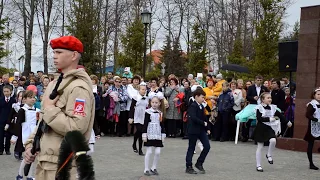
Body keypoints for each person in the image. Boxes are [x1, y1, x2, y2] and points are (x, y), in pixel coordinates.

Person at [24, 36, 95, 180]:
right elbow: (44, 120)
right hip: (46, 161)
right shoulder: (55, 83)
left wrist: (50, 109)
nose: (54, 56)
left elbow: (76, 127)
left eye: (59, 52)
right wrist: (30, 144)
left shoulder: (79, 88)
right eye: (54, 52)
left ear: (74, 55)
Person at [252, 92, 292, 172]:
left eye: (270, 98)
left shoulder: (273, 108)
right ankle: (258, 165)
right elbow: (259, 118)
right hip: (261, 128)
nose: (270, 99)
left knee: (273, 140)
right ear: (263, 100)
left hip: (269, 127)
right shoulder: (259, 108)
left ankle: (269, 154)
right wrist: (269, 119)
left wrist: (287, 122)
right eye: (268, 98)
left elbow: (280, 115)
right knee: (260, 146)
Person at [12, 90, 40, 180]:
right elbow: (18, 124)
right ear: (24, 99)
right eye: (30, 97)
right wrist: (15, 137)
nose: (32, 99)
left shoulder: (37, 110)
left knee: (31, 156)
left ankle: (25, 175)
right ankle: (23, 175)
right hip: (25, 135)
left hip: (34, 134)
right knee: (29, 156)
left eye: (34, 97)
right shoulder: (22, 110)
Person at [185, 88, 211, 174]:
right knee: (191, 148)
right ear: (196, 96)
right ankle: (188, 166)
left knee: (207, 146)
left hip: (201, 130)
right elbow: (193, 117)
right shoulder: (193, 106)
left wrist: (207, 128)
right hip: (193, 130)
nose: (203, 99)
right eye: (202, 97)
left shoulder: (201, 106)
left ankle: (199, 162)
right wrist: (203, 123)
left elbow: (204, 117)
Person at [142, 91, 166, 176]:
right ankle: (146, 169)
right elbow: (145, 124)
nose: (154, 104)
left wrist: (163, 133)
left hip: (157, 133)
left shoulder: (160, 113)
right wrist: (144, 134)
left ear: (159, 103)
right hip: (150, 133)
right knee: (149, 151)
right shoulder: (148, 112)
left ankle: (154, 167)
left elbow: (162, 124)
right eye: (153, 102)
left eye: (156, 102)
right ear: (150, 103)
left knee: (158, 152)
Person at [129, 82, 148, 156]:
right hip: (137, 116)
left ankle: (136, 145)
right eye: (142, 89)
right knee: (139, 131)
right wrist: (130, 117)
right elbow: (131, 108)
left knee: (141, 132)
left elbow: (147, 107)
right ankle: (139, 149)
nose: (144, 91)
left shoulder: (147, 98)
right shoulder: (135, 97)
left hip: (143, 116)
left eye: (145, 89)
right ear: (139, 90)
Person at [5, 90, 25, 160]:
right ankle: (16, 151)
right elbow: (10, 115)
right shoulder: (15, 106)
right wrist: (8, 123)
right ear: (18, 97)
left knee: (22, 139)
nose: (22, 98)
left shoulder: (27, 107)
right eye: (20, 96)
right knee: (17, 137)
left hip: (24, 125)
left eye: (23, 96)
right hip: (16, 124)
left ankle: (20, 153)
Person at [304, 87, 320, 170]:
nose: (319, 96)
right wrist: (316, 119)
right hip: (313, 127)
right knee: (310, 145)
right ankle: (311, 164)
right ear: (314, 95)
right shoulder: (312, 104)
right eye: (318, 94)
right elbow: (307, 115)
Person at [0, 85, 16, 155]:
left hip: (10, 120)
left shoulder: (13, 100)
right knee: (1, 135)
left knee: (8, 135)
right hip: (1, 120)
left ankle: (7, 149)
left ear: (11, 92)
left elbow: (14, 111)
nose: (6, 93)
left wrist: (13, 119)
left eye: (7, 91)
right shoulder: (0, 100)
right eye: (4, 91)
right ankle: (0, 149)